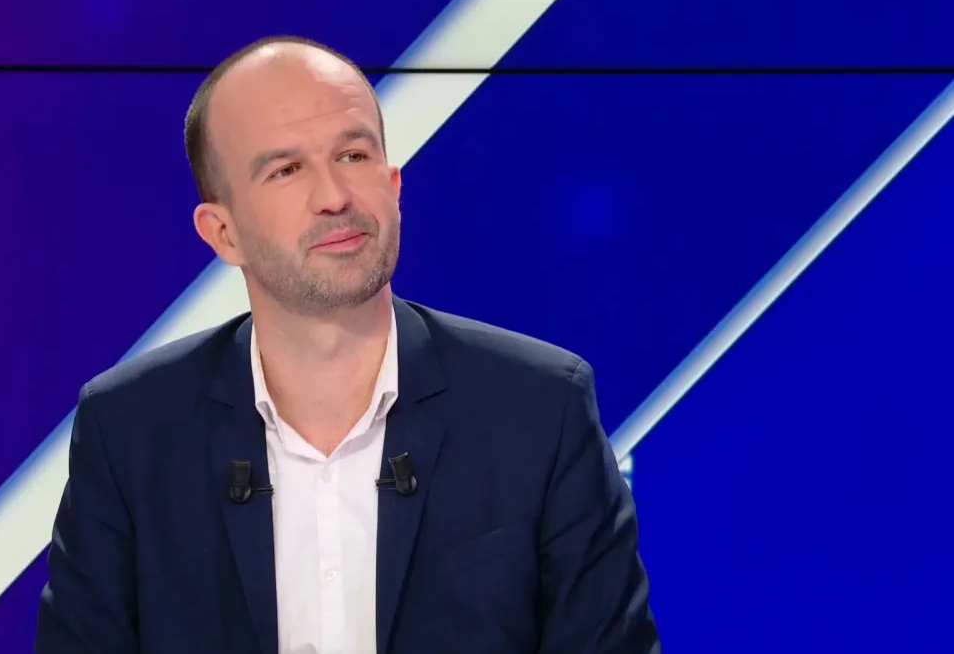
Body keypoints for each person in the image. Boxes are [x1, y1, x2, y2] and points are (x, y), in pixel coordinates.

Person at [35, 35, 660, 654]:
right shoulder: (131, 430)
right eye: (286, 170)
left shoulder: (539, 408)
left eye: (354, 155)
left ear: (394, 184)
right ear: (223, 233)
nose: (335, 197)